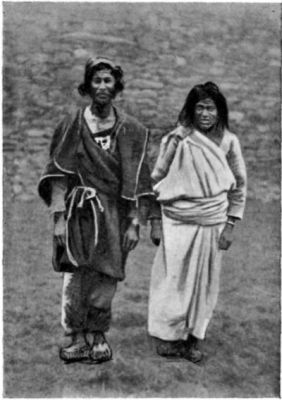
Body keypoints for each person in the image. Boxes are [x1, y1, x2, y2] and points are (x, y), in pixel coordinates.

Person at [38, 56, 159, 364]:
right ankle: (77, 338)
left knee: (107, 277)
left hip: (115, 216)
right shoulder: (72, 125)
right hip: (79, 211)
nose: (102, 86)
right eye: (97, 80)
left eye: (108, 81)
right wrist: (59, 219)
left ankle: (98, 335)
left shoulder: (131, 129)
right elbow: (58, 176)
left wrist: (135, 223)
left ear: (116, 87)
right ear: (88, 86)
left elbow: (139, 180)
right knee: (76, 275)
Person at [148, 81, 247, 363]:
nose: (205, 114)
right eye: (200, 108)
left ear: (220, 112)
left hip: (212, 221)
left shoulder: (229, 142)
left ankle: (193, 339)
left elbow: (239, 186)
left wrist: (230, 225)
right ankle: (168, 337)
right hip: (177, 221)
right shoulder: (176, 139)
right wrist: (155, 221)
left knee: (204, 283)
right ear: (191, 110)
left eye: (211, 109)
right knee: (173, 280)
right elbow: (156, 180)